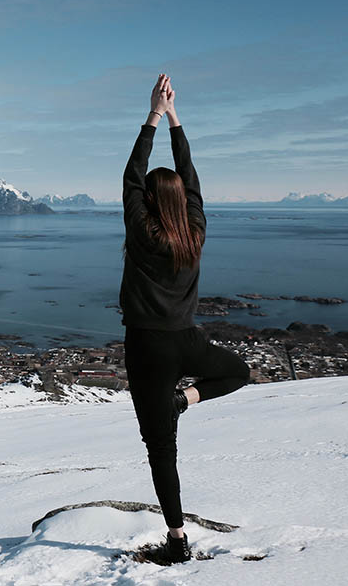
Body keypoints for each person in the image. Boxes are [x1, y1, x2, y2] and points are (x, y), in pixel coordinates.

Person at [120, 73, 251, 564]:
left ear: (149, 204)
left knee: (160, 449)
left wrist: (154, 114)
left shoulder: (141, 233)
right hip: (187, 341)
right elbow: (189, 179)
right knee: (238, 372)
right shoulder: (194, 232)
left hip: (147, 348)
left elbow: (133, 174)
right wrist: (175, 118)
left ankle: (177, 538)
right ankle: (186, 399)